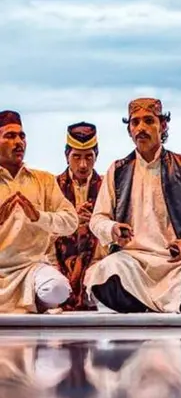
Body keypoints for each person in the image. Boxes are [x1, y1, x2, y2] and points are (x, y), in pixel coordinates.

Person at [84, 98, 181, 313]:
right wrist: (112, 229)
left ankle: (144, 305)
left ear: (162, 125)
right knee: (104, 274)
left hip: (174, 264)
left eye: (149, 121)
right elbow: (98, 219)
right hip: (131, 261)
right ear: (129, 129)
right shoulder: (117, 170)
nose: (141, 128)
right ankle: (151, 306)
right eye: (135, 123)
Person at [0, 110, 78, 313]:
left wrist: (39, 216)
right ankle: (31, 304)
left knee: (58, 290)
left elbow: (71, 222)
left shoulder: (43, 180)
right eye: (9, 136)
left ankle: (33, 299)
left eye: (22, 136)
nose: (19, 142)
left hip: (31, 268)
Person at [51, 122, 105, 311]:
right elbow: (41, 232)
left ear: (96, 156)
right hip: (57, 262)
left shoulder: (107, 187)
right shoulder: (52, 186)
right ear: (67, 156)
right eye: (77, 157)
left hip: (97, 262)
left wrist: (97, 222)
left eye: (89, 157)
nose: (83, 164)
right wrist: (69, 220)